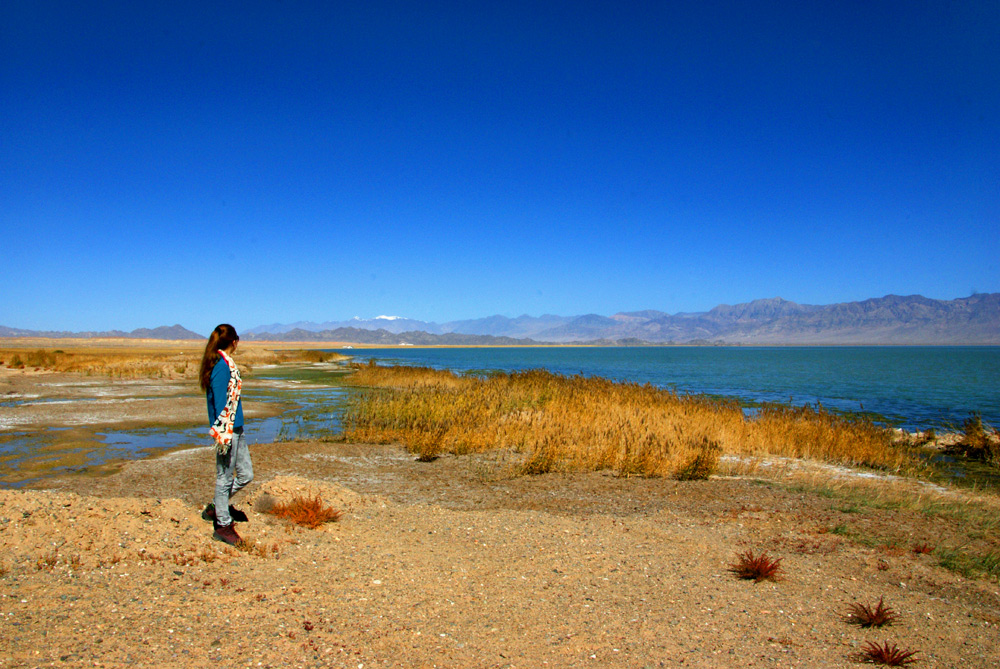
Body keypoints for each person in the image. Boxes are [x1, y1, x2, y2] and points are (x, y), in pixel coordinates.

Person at [198, 323, 253, 545]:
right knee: (224, 478)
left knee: (246, 475)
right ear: (234, 342)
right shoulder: (221, 366)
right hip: (227, 431)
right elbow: (220, 404)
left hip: (236, 427)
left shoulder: (226, 363)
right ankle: (222, 524)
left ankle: (216, 506)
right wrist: (224, 435)